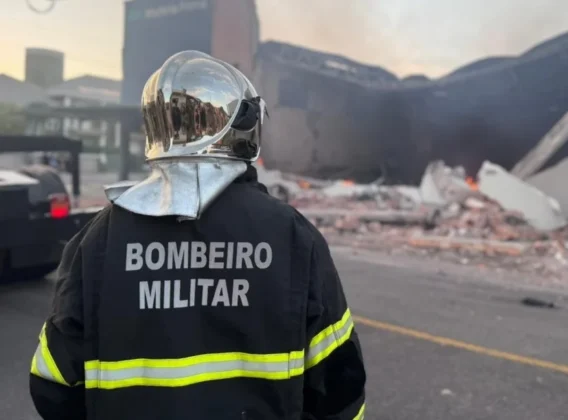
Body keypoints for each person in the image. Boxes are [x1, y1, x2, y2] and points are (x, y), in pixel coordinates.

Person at [29, 50, 367, 420]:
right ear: (242, 126)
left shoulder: (99, 240)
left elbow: (53, 383)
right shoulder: (292, 236)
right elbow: (340, 388)